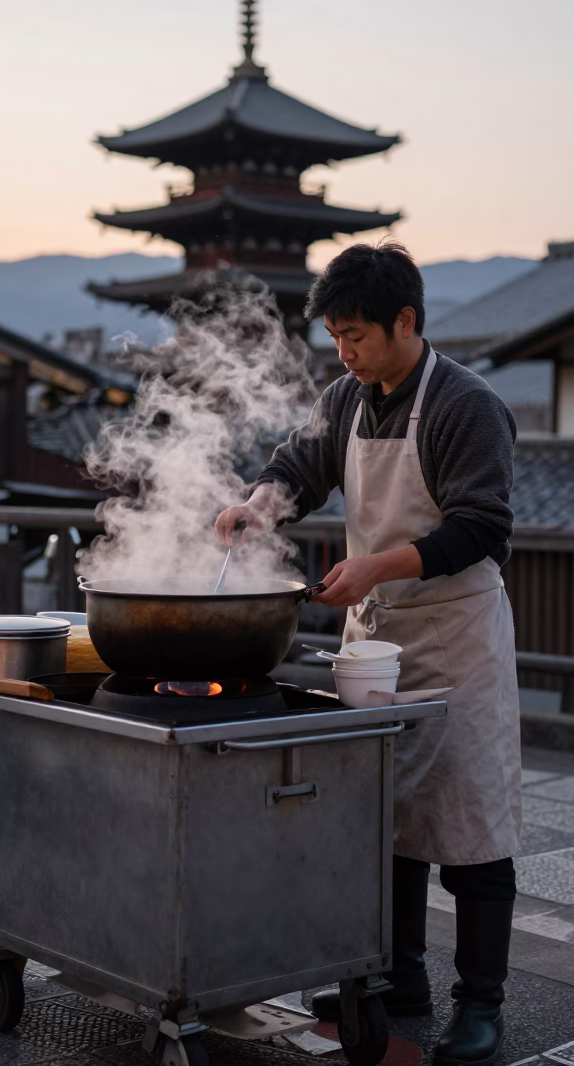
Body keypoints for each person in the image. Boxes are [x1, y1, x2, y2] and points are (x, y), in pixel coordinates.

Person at [215, 243, 521, 1066]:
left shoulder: (467, 404)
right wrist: (255, 507)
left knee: (470, 820)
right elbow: (297, 469)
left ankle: (482, 1004)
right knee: (380, 812)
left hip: (456, 637)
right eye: (335, 337)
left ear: (406, 322)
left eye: (355, 335)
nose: (343, 351)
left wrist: (376, 565)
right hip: (379, 632)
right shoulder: (347, 398)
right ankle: (396, 978)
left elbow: (482, 526)